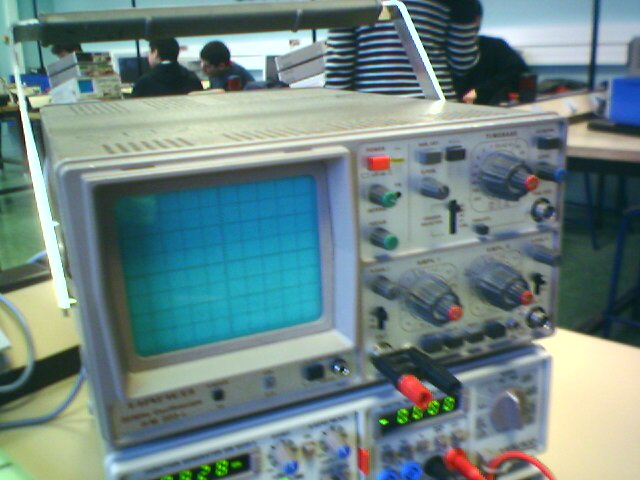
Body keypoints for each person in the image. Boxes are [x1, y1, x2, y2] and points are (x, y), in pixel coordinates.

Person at [324, 0, 481, 100]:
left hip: (373, 107)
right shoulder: (457, 4)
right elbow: (462, 62)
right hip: (435, 104)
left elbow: (340, 61)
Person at [452, 2, 530, 105]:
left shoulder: (495, 47)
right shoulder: (440, 53)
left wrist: (481, 92)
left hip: (487, 108)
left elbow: (519, 74)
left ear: (477, 20)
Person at [131, 38, 203, 97]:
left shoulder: (143, 83)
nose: (148, 56)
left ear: (155, 52)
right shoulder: (193, 79)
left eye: (149, 52)